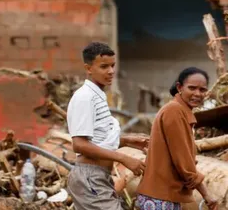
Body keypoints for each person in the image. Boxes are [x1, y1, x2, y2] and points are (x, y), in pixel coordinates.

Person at [66, 42, 150, 210]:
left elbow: (99, 141)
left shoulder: (98, 95)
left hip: (99, 177)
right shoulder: (85, 97)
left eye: (112, 65)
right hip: (90, 177)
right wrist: (124, 158)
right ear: (88, 68)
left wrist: (127, 141)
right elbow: (80, 144)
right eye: (104, 66)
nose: (111, 71)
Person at [136, 67, 220, 210]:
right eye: (192, 88)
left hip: (162, 195)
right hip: (160, 197)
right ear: (179, 87)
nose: (197, 94)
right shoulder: (174, 111)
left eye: (202, 90)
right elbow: (183, 161)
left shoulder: (178, 111)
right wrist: (206, 194)